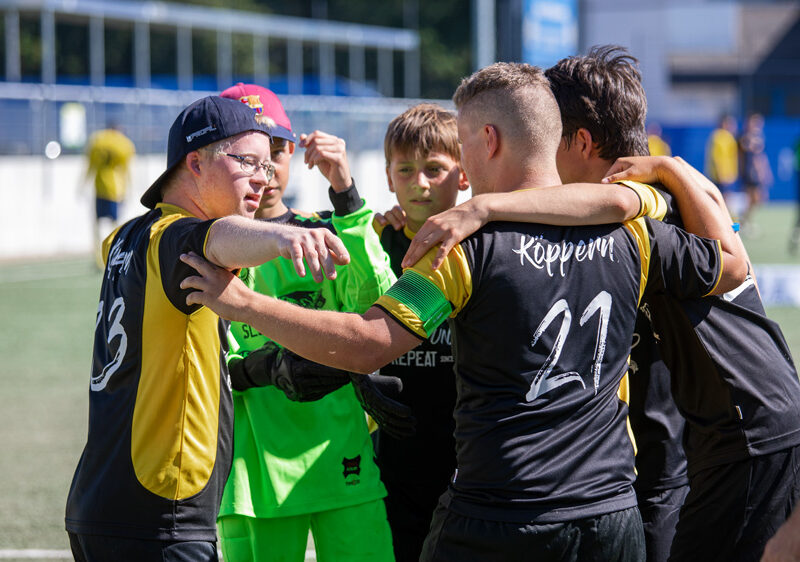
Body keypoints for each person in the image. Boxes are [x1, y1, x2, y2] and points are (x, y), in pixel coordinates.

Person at [180, 63, 748, 562]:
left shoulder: (464, 250)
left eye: (466, 147)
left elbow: (368, 340)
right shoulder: (635, 234)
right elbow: (730, 265)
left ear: (490, 141)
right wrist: (667, 174)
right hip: (609, 513)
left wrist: (241, 302)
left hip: (499, 517)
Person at [405, 46, 800, 562]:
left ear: (582, 142)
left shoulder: (647, 202)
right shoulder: (659, 193)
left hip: (748, 432)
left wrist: (484, 205)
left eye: (550, 142)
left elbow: (716, 256)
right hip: (715, 438)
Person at [64, 96, 349, 562]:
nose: (264, 176)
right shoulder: (176, 237)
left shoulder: (128, 236)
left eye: (268, 162)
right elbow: (216, 240)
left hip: (100, 503)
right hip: (160, 516)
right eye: (247, 162)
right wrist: (284, 235)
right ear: (195, 162)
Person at [215, 83, 397, 562]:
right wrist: (264, 367)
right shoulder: (209, 245)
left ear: (293, 151)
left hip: (341, 457)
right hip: (254, 483)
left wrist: (347, 194)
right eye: (245, 155)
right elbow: (205, 359)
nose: (265, 169)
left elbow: (380, 299)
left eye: (275, 151)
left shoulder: (321, 233)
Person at [369, 102, 467, 562]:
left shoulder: (478, 248)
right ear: (389, 177)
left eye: (434, 169)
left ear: (462, 175)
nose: (419, 182)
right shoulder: (375, 243)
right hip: (391, 458)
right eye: (405, 169)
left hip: (463, 458)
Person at [82, 123, 135, 267]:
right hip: (116, 189)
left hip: (100, 188)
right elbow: (126, 169)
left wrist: (83, 184)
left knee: (97, 224)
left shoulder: (98, 141)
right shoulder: (124, 144)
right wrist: (129, 189)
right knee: (115, 225)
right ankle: (116, 254)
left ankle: (98, 256)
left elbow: (90, 166)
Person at [739, 112, 773, 234]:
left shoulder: (758, 138)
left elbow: (761, 157)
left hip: (755, 173)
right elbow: (746, 153)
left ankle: (744, 221)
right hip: (748, 173)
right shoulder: (745, 137)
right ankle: (742, 223)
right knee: (752, 198)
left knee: (759, 199)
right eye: (755, 122)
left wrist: (765, 172)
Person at [705, 114, 739, 211]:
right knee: (718, 199)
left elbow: (732, 158)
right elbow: (716, 158)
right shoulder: (718, 136)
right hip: (719, 176)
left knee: (726, 198)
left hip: (728, 175)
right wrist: (720, 174)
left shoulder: (730, 138)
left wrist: (732, 174)